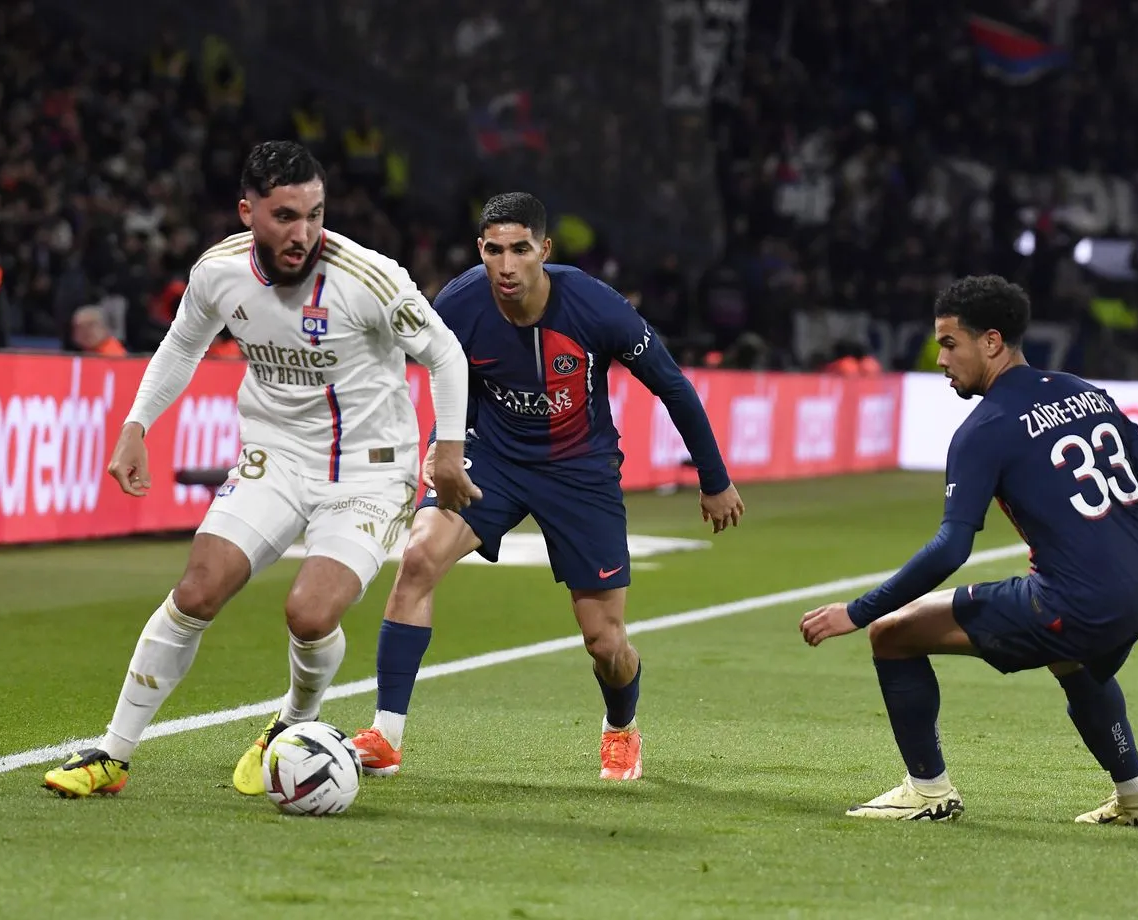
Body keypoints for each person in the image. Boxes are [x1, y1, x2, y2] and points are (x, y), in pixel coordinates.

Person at [258, 192, 745, 783]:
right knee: (418, 558)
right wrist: (444, 446)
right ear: (480, 250)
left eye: (520, 250)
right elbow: (443, 377)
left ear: (544, 248)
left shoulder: (596, 307)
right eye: (494, 250)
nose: (507, 266)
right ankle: (385, 735)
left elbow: (672, 385)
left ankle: (621, 727)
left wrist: (713, 479)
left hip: (579, 472)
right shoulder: (459, 305)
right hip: (494, 460)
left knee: (605, 643)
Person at [43, 140, 478, 798]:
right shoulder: (219, 272)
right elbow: (181, 345)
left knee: (308, 614)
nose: (302, 232)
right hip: (275, 455)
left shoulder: (368, 276)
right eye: (284, 216)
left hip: (370, 469)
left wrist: (447, 449)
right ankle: (112, 754)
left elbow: (445, 355)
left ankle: (291, 723)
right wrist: (136, 426)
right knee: (197, 589)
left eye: (314, 214)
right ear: (248, 212)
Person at [799, 275, 1138, 826]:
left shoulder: (986, 428)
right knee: (1072, 660)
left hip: (1078, 601)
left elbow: (951, 547)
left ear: (991, 341)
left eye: (950, 343)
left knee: (892, 633)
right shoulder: (1087, 393)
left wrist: (856, 612)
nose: (941, 358)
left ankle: (928, 790)